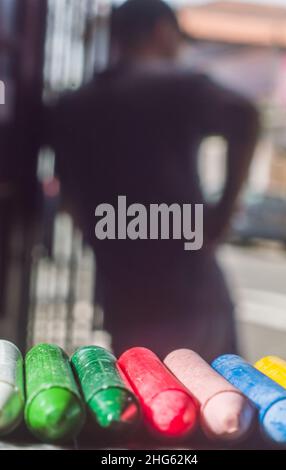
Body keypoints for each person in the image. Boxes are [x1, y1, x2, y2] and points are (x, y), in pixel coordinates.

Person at [44, 0, 259, 361]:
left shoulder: (75, 104)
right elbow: (246, 115)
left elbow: (69, 194)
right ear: (162, 30)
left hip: (121, 279)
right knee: (215, 392)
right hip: (187, 284)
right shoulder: (179, 86)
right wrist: (222, 212)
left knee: (143, 388)